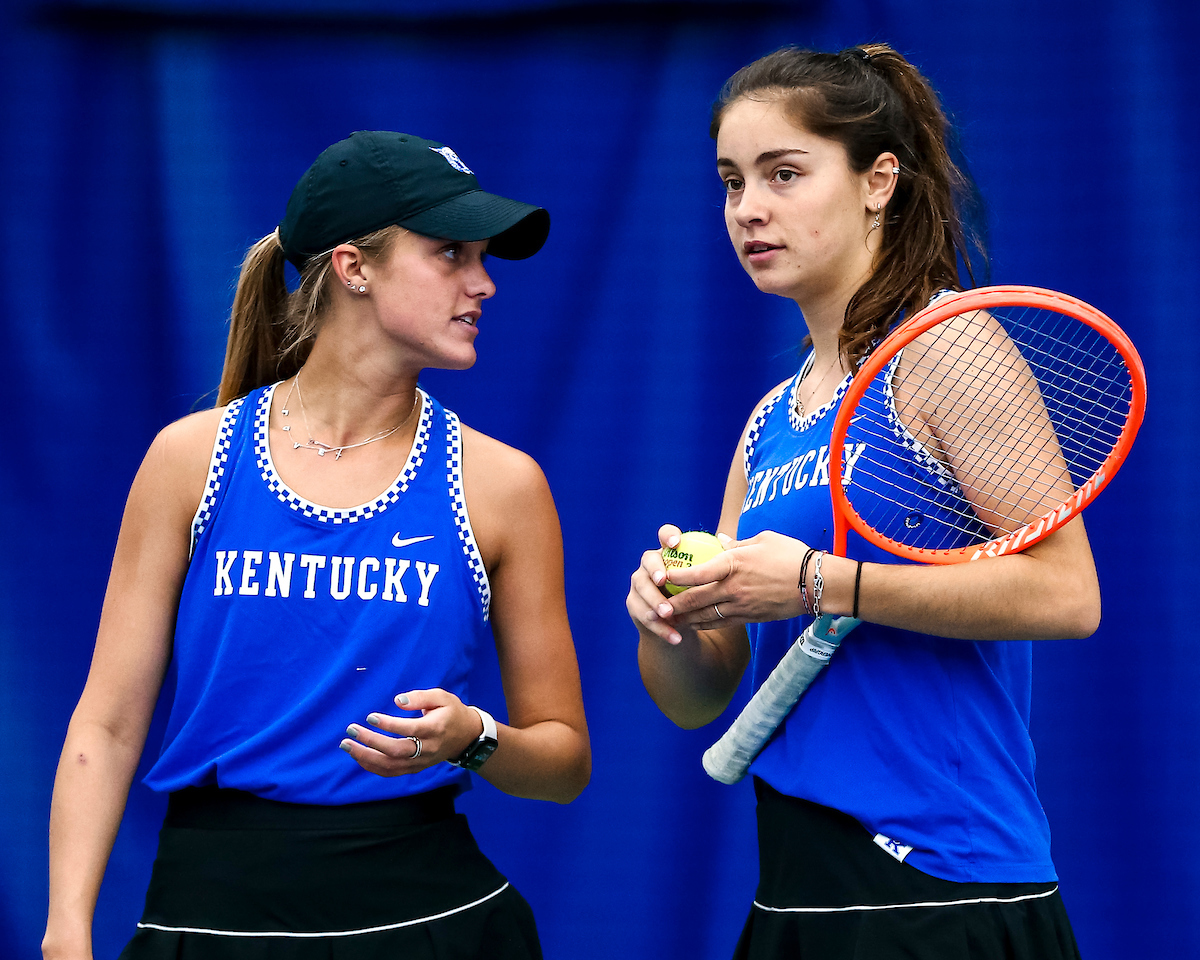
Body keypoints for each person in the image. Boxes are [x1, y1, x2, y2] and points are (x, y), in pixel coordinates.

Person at [42, 130, 590, 960]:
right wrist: (66, 933)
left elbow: (564, 758)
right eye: (450, 253)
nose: (483, 284)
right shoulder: (188, 460)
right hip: (208, 918)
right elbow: (108, 724)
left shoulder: (504, 485)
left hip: (431, 922)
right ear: (353, 266)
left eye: (484, 259)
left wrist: (474, 736)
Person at [627, 45, 1098, 959]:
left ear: (879, 180)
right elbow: (697, 697)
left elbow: (1066, 596)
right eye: (731, 182)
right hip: (797, 888)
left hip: (943, 886)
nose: (748, 210)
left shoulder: (949, 349)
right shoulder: (770, 421)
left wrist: (819, 581)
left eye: (785, 174)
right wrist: (668, 623)